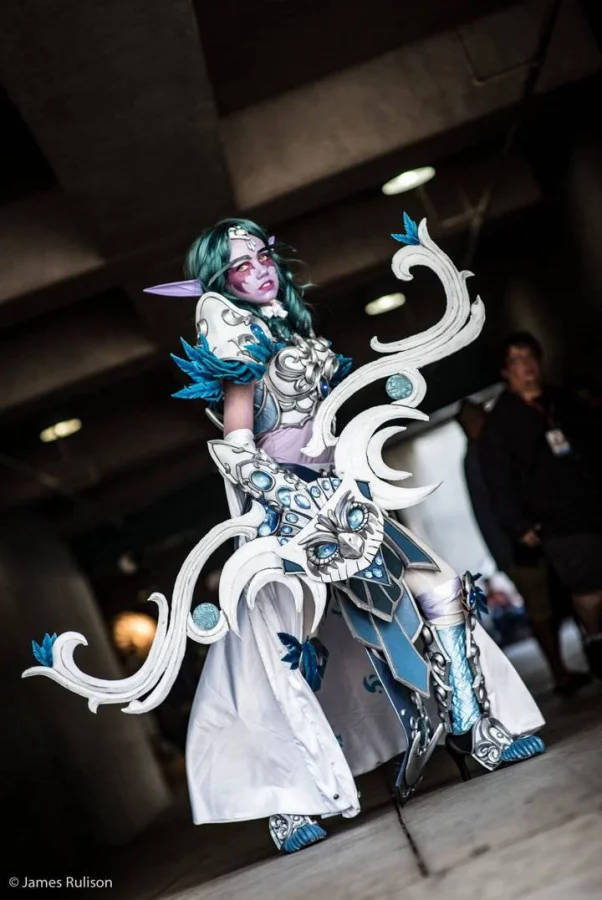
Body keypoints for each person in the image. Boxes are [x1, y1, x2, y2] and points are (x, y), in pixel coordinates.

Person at [23, 217, 546, 855]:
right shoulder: (239, 349)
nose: (260, 270)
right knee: (274, 652)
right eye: (241, 266)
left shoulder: (291, 329)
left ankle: (472, 726)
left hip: (342, 498)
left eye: (263, 255)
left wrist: (340, 474)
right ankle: (288, 799)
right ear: (222, 283)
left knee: (439, 587)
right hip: (290, 518)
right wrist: (294, 497)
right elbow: (237, 452)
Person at [479, 331, 602, 681]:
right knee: (589, 588)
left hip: (592, 504)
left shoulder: (563, 401)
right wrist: (517, 526)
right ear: (506, 371)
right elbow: (497, 483)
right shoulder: (500, 423)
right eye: (517, 360)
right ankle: (596, 642)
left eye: (530, 357)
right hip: (557, 521)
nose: (527, 366)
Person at [458, 398, 589, 695]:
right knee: (541, 609)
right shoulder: (479, 457)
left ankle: (567, 667)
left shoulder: (486, 452)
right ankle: (559, 673)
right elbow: (494, 511)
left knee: (557, 601)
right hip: (517, 548)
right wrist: (511, 550)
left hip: (526, 542)